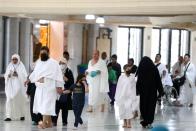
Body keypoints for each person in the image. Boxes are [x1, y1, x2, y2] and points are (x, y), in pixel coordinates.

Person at [27, 46, 64, 129]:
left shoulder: (54, 63)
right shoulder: (39, 62)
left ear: (48, 53)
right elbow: (34, 73)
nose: (43, 54)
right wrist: (28, 80)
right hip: (40, 89)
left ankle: (44, 123)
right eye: (41, 53)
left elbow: (58, 75)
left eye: (44, 53)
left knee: (46, 106)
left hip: (49, 88)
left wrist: (59, 86)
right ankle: (50, 123)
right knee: (42, 105)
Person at [136, 56, 164, 129]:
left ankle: (145, 121)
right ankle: (149, 122)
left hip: (143, 93)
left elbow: (138, 81)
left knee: (143, 106)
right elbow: (158, 80)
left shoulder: (141, 69)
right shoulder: (154, 69)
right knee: (151, 107)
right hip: (152, 92)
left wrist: (138, 90)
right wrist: (161, 91)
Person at [4, 54, 28, 121]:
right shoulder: (10, 66)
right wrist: (8, 76)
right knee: (9, 100)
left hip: (19, 87)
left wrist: (18, 75)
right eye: (13, 59)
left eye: (15, 59)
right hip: (10, 87)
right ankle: (8, 116)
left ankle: (21, 115)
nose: (14, 60)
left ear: (18, 59)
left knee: (19, 100)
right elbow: (5, 75)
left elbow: (25, 77)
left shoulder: (21, 66)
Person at [52, 57, 74, 126]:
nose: (61, 64)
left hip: (65, 93)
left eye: (63, 63)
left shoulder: (69, 72)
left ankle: (64, 121)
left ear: (66, 64)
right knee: (56, 108)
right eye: (60, 63)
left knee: (65, 108)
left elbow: (72, 83)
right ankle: (54, 121)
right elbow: (53, 81)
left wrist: (66, 79)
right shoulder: (56, 71)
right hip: (57, 92)